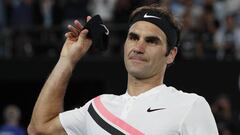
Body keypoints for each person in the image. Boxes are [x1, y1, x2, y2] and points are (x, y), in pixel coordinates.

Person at [28, 4, 219, 135]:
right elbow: (39, 128)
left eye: (151, 41)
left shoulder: (190, 106)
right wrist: (67, 59)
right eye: (133, 37)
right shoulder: (97, 108)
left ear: (171, 54)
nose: (139, 47)